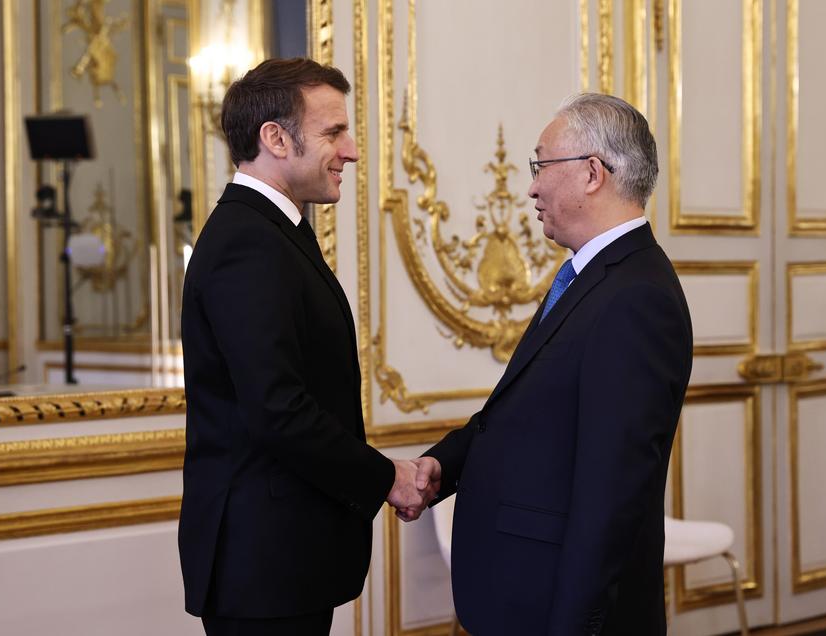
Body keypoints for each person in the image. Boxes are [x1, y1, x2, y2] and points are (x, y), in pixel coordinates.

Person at [410, 93, 693, 635]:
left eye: (541, 165)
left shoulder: (637, 297)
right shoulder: (594, 277)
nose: (532, 187)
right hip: (524, 594)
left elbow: (611, 493)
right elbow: (526, 415)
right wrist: (441, 466)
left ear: (592, 173)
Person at [179, 57, 434, 636]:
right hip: (265, 567)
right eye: (333, 132)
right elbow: (279, 410)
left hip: (284, 560)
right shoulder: (249, 243)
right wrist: (386, 478)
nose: (351, 151)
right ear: (275, 138)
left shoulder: (273, 233)